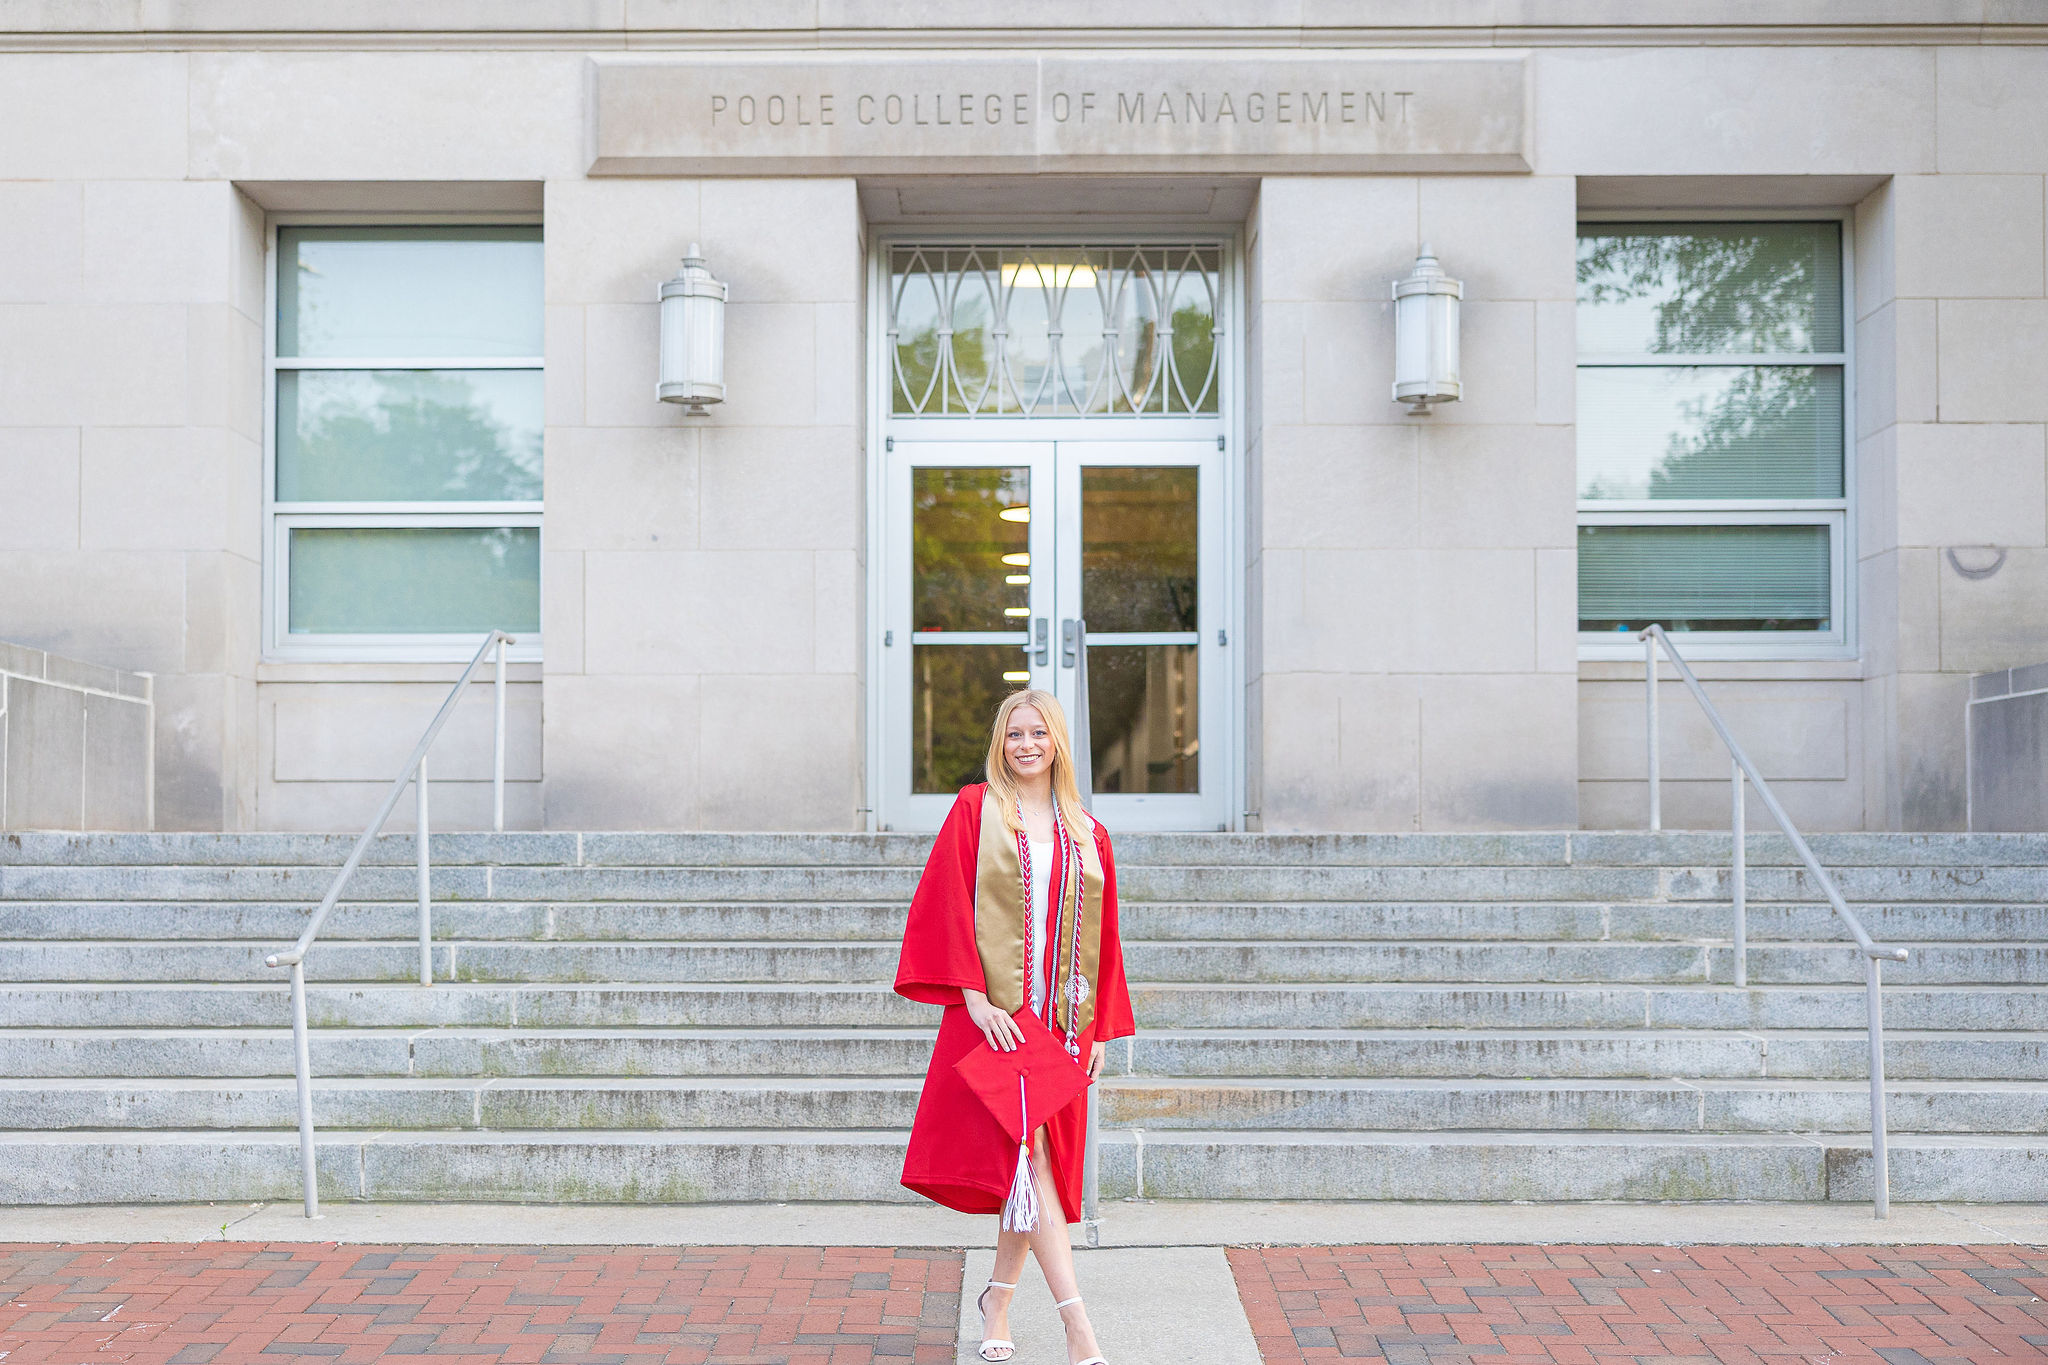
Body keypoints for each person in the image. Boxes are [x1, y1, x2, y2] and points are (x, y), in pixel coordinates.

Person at [894, 689, 1134, 1365]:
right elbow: (946, 901)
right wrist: (973, 999)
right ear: (1000, 744)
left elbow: (1105, 940)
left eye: (1037, 733)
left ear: (1057, 741)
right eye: (1013, 734)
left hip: (1059, 1026)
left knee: (1032, 1174)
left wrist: (1098, 1035)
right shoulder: (977, 809)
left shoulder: (1087, 833)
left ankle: (996, 1301)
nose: (1025, 744)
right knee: (1030, 1163)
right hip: (999, 1022)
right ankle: (1078, 1328)